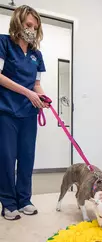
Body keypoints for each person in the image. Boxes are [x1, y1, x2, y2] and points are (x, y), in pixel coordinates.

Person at [0, 5, 48, 220]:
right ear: (18, 22)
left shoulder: (37, 55)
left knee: (27, 158)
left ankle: (24, 199)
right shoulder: (3, 43)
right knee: (7, 159)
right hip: (6, 111)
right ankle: (8, 203)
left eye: (35, 27)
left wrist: (42, 97)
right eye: (28, 25)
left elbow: (37, 84)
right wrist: (28, 93)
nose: (32, 30)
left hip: (28, 114)